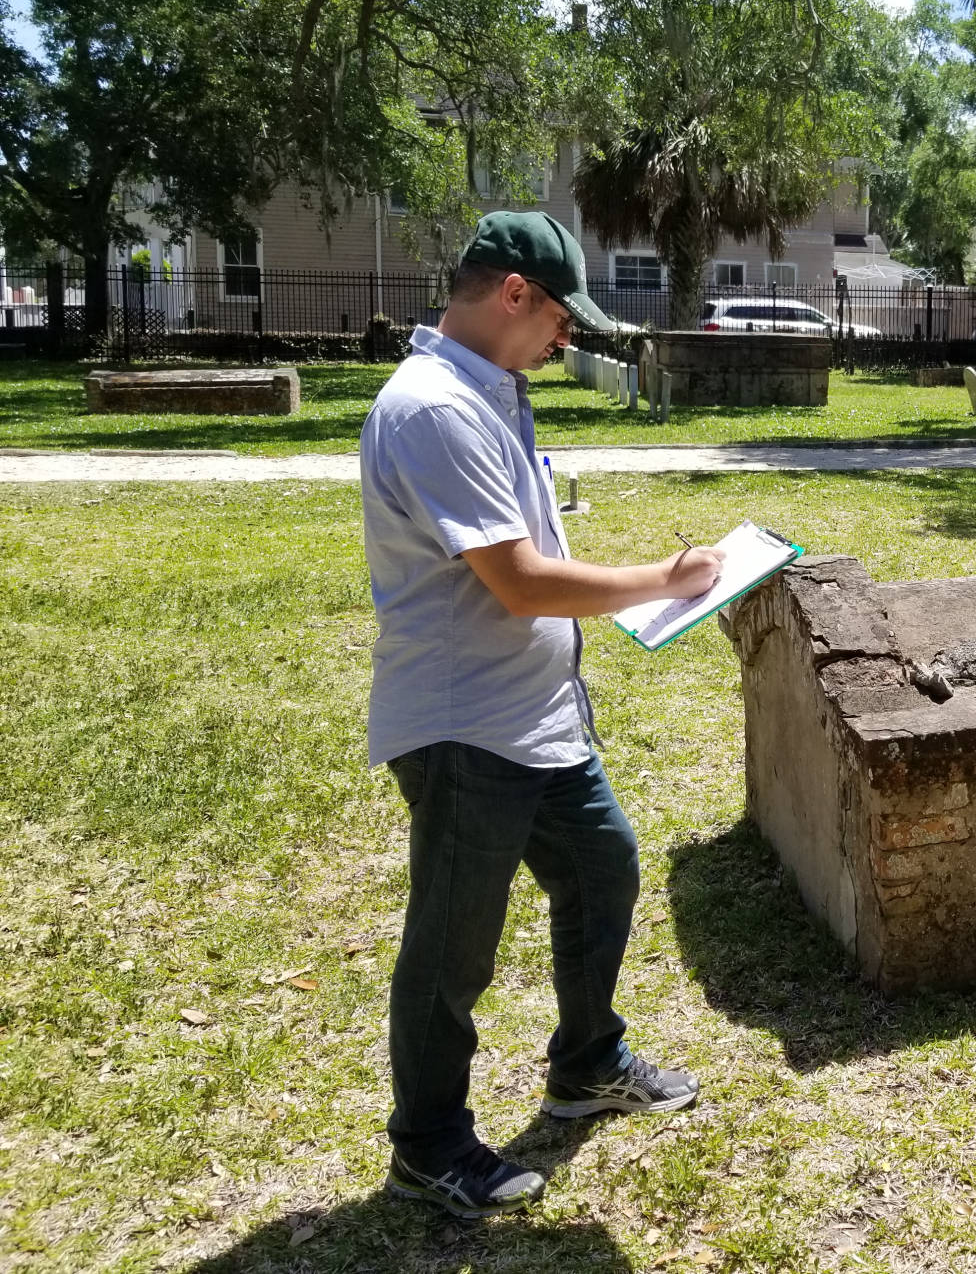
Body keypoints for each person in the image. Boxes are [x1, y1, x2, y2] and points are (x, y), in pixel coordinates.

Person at [360, 211, 723, 1219]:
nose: (567, 340)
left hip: (533, 716)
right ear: (513, 293)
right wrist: (663, 578)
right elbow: (517, 582)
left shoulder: (489, 387)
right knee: (452, 946)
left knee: (600, 865)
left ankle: (585, 1065)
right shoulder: (433, 408)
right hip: (464, 725)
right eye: (561, 319)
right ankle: (428, 1144)